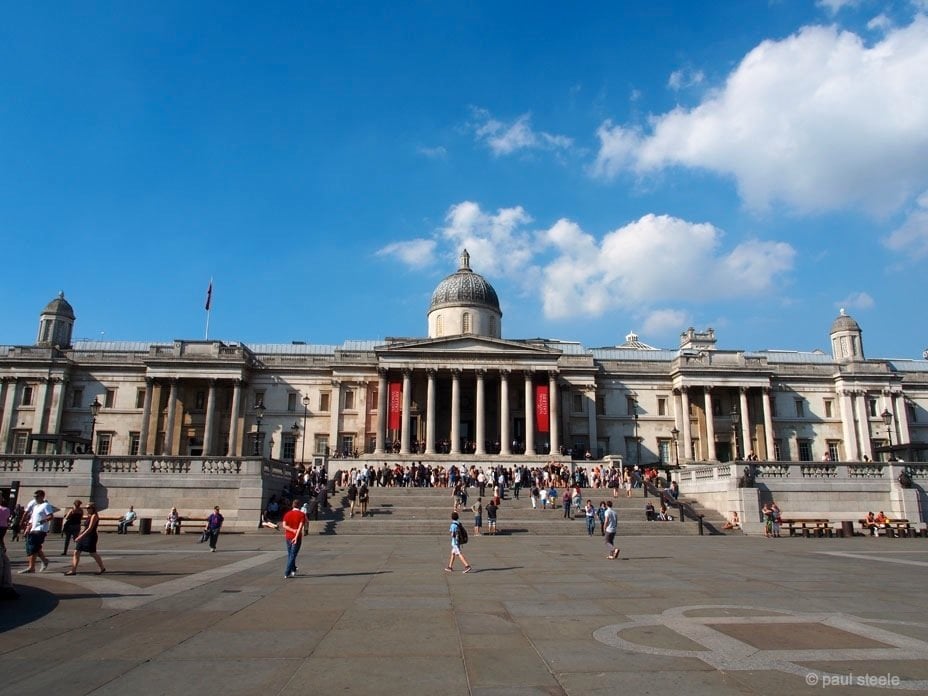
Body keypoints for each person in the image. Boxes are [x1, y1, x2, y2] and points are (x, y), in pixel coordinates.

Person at [20, 490, 58, 573]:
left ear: (42, 496)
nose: (35, 498)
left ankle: (31, 567)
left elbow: (51, 516)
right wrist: (28, 528)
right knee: (34, 547)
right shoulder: (36, 507)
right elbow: (33, 520)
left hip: (40, 530)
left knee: (33, 548)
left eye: (37, 496)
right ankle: (44, 560)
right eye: (34, 497)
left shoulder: (46, 505)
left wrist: (42, 521)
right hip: (33, 529)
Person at [64, 503, 105, 575]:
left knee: (92, 553)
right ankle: (73, 570)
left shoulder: (94, 516)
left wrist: (80, 536)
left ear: (93, 508)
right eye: (86, 508)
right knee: (76, 552)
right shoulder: (89, 516)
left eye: (88, 508)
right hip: (84, 535)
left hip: (91, 536)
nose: (87, 509)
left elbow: (90, 528)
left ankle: (102, 568)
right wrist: (80, 534)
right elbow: (85, 527)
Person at [282, 499, 307, 578]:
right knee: (293, 555)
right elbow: (300, 527)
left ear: (292, 505)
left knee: (290, 554)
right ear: (299, 505)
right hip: (297, 537)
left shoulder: (287, 514)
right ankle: (287, 572)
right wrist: (296, 536)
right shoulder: (301, 514)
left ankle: (293, 569)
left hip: (288, 536)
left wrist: (291, 530)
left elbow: (284, 525)